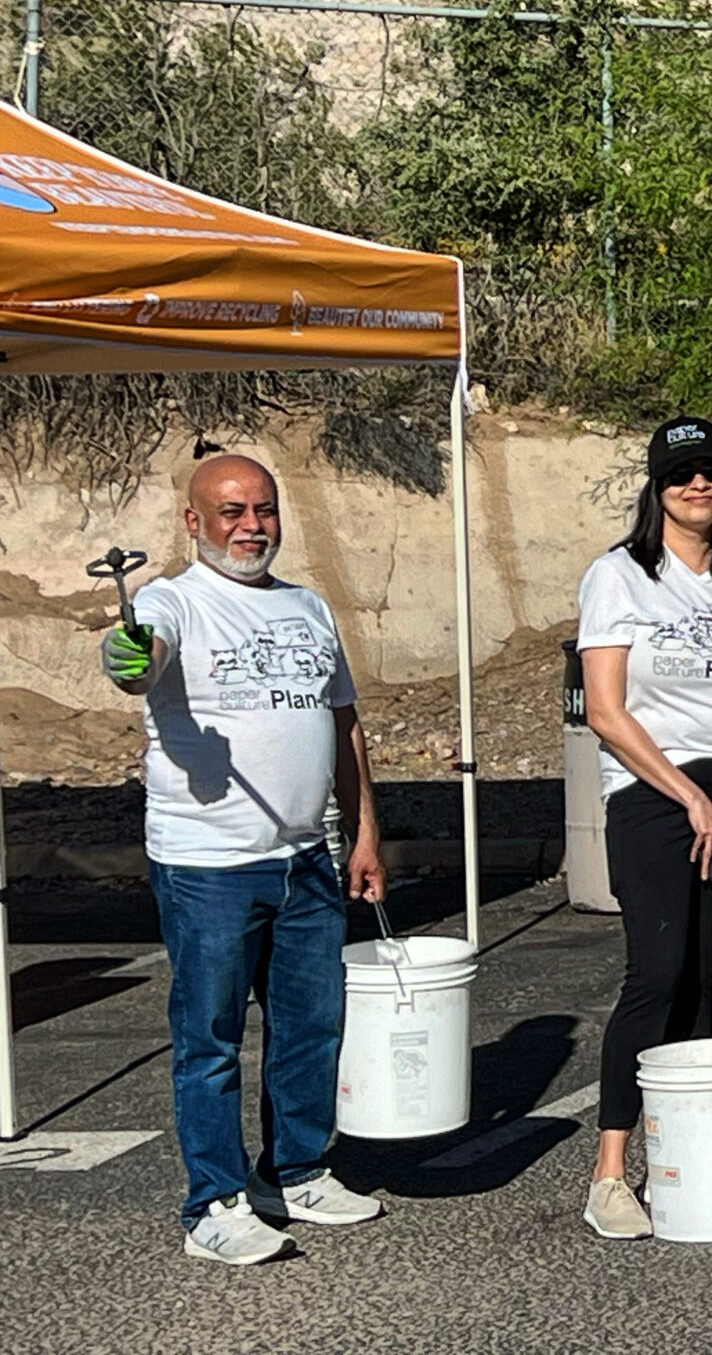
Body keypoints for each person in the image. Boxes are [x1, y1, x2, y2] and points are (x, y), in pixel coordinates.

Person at [101, 454, 388, 1264]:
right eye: (230, 512)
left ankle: (294, 1170)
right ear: (194, 522)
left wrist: (364, 833)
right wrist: (125, 659)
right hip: (209, 866)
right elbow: (138, 655)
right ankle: (213, 1205)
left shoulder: (307, 607)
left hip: (305, 857)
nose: (251, 526)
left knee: (310, 1027)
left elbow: (344, 724)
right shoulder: (172, 601)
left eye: (263, 509)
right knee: (211, 1038)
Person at [574, 418, 712, 1239]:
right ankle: (609, 1173)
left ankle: (681, 1145)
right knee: (657, 972)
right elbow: (606, 709)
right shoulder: (622, 575)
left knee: (709, 981)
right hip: (654, 793)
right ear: (655, 488)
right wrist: (686, 798)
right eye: (680, 474)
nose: (698, 486)